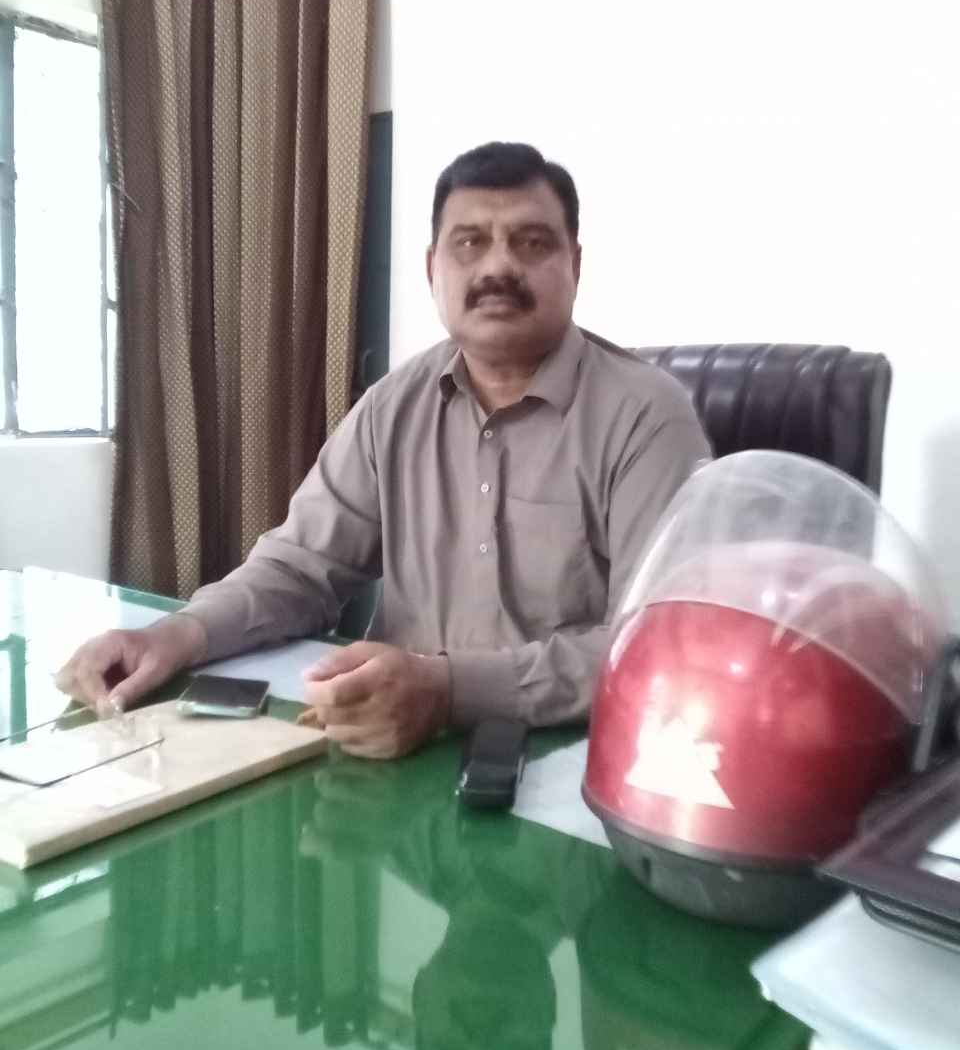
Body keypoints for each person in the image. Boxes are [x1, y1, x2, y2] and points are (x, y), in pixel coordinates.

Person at [57, 141, 711, 757]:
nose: (498, 267)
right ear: (432, 269)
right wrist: (175, 635)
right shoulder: (393, 406)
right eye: (469, 242)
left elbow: (660, 643)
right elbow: (298, 568)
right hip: (381, 741)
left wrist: (449, 690)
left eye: (532, 242)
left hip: (567, 760)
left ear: (575, 265)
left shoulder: (647, 417)